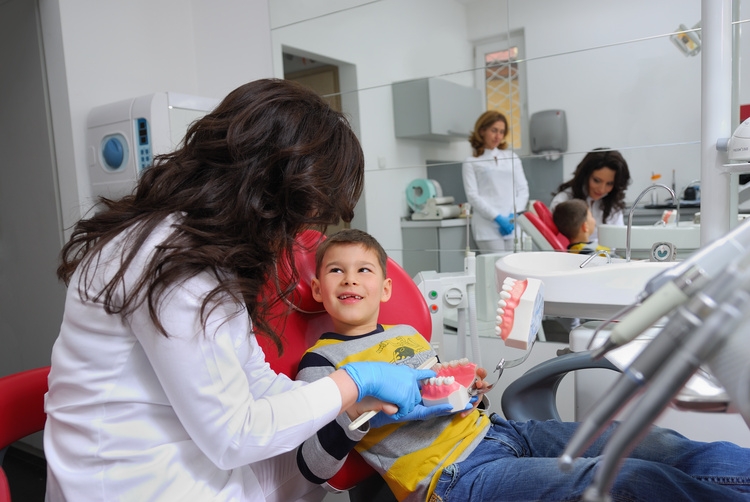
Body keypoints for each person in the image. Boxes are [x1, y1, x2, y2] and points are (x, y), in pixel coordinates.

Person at [43, 79, 437, 502]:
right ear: (267, 194)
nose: (296, 236)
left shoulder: (200, 248)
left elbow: (253, 378)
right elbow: (235, 435)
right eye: (297, 217)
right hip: (133, 480)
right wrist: (355, 381)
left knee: (311, 469)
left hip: (188, 446)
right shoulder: (173, 265)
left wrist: (347, 402)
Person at [295, 228, 750, 502]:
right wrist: (357, 405)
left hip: (499, 433)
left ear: (386, 288)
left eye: (363, 270)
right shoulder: (321, 365)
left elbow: (443, 403)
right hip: (454, 477)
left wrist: (468, 390)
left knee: (655, 445)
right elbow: (311, 468)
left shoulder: (408, 337)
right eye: (336, 270)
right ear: (317, 289)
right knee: (629, 479)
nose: (350, 278)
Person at [462, 110, 529, 253]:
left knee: (516, 269)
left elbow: (523, 189)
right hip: (487, 227)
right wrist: (497, 218)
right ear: (482, 131)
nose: (498, 136)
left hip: (513, 224)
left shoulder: (512, 157)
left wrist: (513, 215)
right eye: (494, 130)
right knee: (494, 272)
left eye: (501, 132)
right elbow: (473, 196)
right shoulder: (471, 162)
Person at [550, 148, 631, 242]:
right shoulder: (563, 201)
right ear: (585, 175)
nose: (601, 189)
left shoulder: (613, 205)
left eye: (609, 184)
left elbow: (620, 241)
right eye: (597, 180)